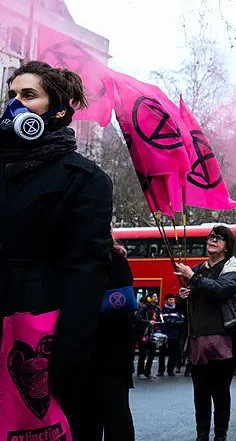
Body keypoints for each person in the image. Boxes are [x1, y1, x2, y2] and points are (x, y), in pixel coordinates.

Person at [0, 61, 113, 436]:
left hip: (36, 328)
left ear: (58, 108)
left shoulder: (85, 179)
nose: (15, 103)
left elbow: (87, 270)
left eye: (28, 95)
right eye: (12, 95)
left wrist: (68, 352)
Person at [175, 225, 236, 441]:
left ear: (226, 247)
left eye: (218, 238)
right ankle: (201, 434)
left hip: (222, 338)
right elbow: (184, 307)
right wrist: (181, 297)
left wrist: (193, 277)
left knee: (221, 392)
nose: (212, 240)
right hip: (197, 338)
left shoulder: (233, 269)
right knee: (200, 394)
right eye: (210, 237)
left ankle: (220, 435)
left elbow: (221, 290)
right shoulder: (197, 269)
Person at [77, 233, 138, 440]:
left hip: (113, 355)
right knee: (84, 422)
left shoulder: (116, 260)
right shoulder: (69, 260)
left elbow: (125, 302)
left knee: (116, 417)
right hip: (80, 355)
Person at [158, 293, 185, 377]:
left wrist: (176, 322)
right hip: (164, 334)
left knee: (173, 354)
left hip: (174, 334)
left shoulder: (177, 310)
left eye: (173, 300)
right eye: (170, 300)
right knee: (161, 354)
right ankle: (161, 371)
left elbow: (182, 321)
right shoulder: (161, 310)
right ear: (166, 301)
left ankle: (170, 370)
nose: (172, 301)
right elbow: (158, 321)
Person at [134, 294, 158, 378]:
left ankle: (148, 372)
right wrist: (148, 322)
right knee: (143, 353)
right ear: (149, 298)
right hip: (144, 333)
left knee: (151, 353)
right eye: (154, 296)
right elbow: (138, 318)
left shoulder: (157, 308)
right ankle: (140, 372)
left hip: (152, 333)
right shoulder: (144, 307)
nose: (156, 298)